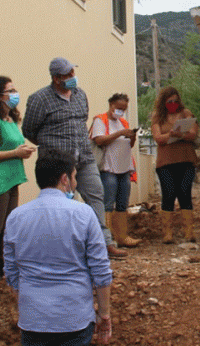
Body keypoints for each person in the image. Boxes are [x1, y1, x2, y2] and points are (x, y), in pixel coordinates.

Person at [4, 150, 113, 346]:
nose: (75, 182)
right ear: (65, 179)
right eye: (75, 176)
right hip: (74, 317)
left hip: (34, 319)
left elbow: (11, 273)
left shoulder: (16, 217)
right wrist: (105, 314)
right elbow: (101, 271)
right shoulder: (83, 214)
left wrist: (27, 303)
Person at [22, 57, 127, 258]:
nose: (72, 77)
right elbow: (29, 130)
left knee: (96, 194)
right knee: (60, 203)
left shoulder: (80, 95)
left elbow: (82, 121)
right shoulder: (40, 99)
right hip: (57, 162)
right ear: (55, 78)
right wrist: (51, 145)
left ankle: (103, 243)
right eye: (67, 75)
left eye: (73, 73)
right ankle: (62, 247)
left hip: (84, 157)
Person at [0, 76, 36, 285]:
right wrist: (15, 153)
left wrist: (22, 152)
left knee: (7, 228)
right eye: (10, 91)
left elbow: (13, 148)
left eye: (14, 90)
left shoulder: (11, 120)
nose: (14, 95)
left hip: (12, 180)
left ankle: (6, 266)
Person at [150, 86, 200, 243]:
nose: (173, 104)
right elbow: (157, 138)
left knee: (185, 192)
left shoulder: (186, 114)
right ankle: (168, 233)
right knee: (169, 193)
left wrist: (180, 135)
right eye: (169, 101)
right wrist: (171, 135)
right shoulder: (158, 117)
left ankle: (189, 232)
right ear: (164, 102)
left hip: (186, 160)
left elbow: (193, 134)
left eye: (175, 101)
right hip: (165, 162)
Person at [90, 93, 139, 248]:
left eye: (123, 109)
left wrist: (131, 136)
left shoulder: (123, 122)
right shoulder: (100, 120)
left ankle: (122, 236)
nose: (120, 111)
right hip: (108, 168)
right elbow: (99, 140)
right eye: (118, 108)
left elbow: (129, 145)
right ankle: (107, 239)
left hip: (124, 168)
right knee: (107, 203)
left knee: (122, 203)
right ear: (111, 105)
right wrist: (120, 133)